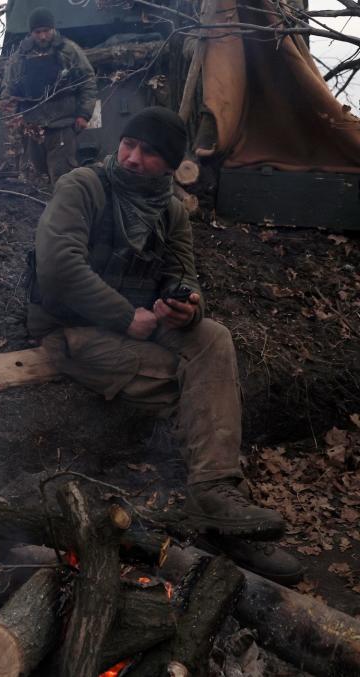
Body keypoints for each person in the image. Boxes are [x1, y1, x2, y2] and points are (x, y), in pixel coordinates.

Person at [26, 106, 304, 584]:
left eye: (150, 153)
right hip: (73, 331)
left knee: (211, 336)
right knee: (201, 388)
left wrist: (187, 306)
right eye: (129, 145)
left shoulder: (171, 209)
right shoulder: (83, 187)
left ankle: (214, 494)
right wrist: (121, 315)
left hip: (138, 323)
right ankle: (217, 520)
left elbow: (184, 274)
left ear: (172, 167)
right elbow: (58, 267)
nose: (132, 158)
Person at [0, 8, 97, 184]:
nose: (43, 36)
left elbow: (87, 80)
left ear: (53, 29)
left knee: (63, 179)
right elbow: (9, 88)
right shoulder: (20, 57)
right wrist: (11, 116)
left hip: (62, 126)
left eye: (46, 31)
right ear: (31, 33)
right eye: (38, 32)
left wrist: (84, 114)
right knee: (34, 181)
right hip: (32, 128)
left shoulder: (68, 50)